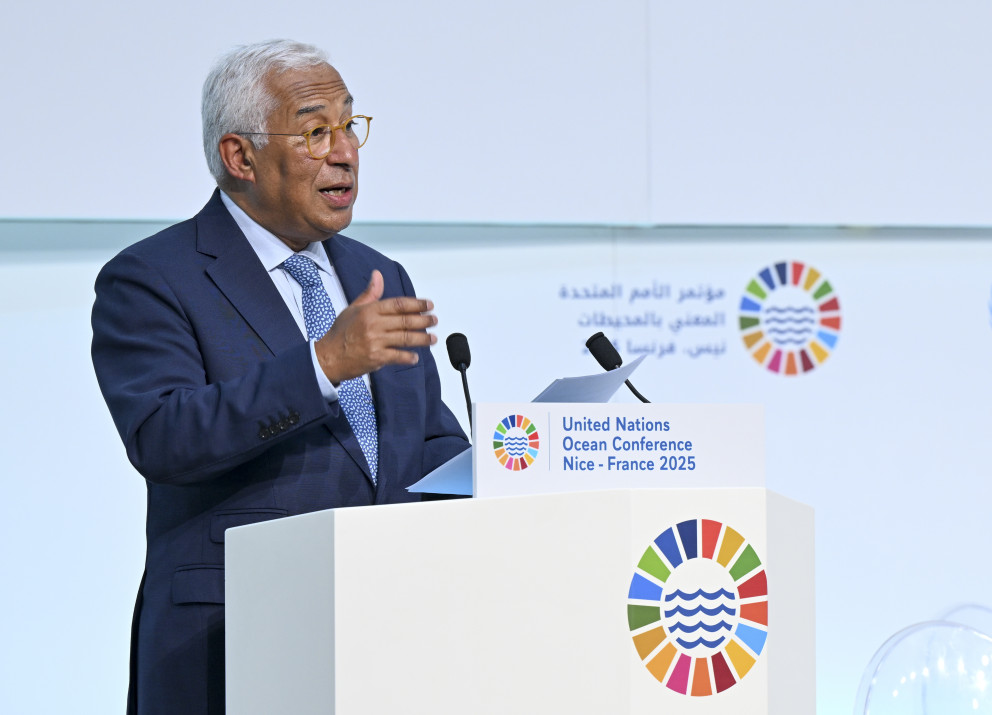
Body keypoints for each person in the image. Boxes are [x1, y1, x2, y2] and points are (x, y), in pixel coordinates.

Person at [91, 39, 470, 715]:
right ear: (240, 157)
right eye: (316, 130)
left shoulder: (377, 274)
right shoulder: (152, 279)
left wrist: (520, 461)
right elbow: (165, 435)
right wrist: (323, 364)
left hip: (389, 638)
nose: (345, 151)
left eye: (350, 125)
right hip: (231, 640)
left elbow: (425, 446)